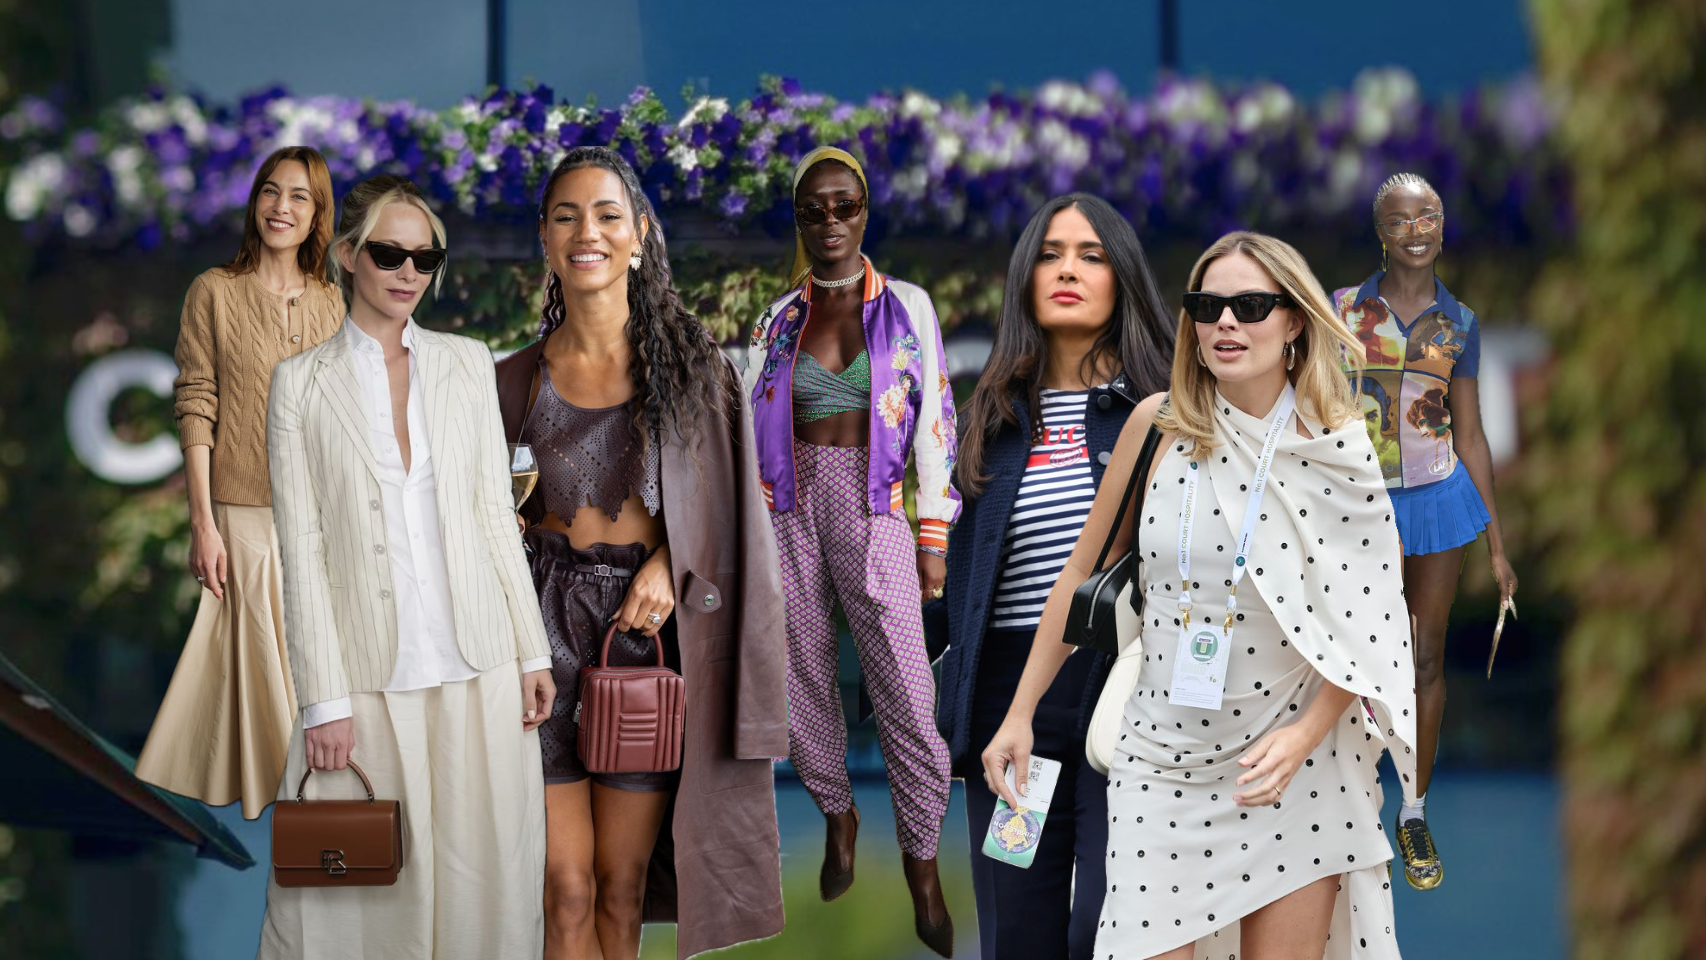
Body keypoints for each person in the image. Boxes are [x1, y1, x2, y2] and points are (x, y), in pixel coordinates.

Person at [982, 231, 1421, 960]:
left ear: (1294, 321)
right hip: (1159, 764)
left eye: (1249, 305)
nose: (1225, 322)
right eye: (1206, 305)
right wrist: (1020, 713)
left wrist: (1305, 736)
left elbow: (1372, 620)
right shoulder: (1155, 426)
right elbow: (1079, 574)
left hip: (1291, 768)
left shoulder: (1336, 445)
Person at [495, 146, 790, 960]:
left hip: (644, 643)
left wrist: (666, 562)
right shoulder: (509, 381)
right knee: (565, 888)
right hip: (537, 635)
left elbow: (736, 517)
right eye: (566, 217)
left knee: (621, 890)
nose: (586, 232)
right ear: (546, 239)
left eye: (606, 215)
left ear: (639, 234)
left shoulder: (697, 376)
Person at [258, 175, 556, 959]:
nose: (408, 273)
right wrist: (322, 701)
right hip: (362, 680)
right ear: (347, 254)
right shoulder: (299, 383)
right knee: (360, 903)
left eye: (426, 259)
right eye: (390, 253)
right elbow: (302, 550)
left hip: (480, 665)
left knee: (486, 886)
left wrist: (532, 652)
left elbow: (493, 513)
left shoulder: (467, 363)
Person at [930, 193, 1173, 960]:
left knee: (1110, 920)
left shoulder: (1162, 410)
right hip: (1012, 707)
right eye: (1050, 254)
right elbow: (959, 584)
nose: (1068, 269)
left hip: (1124, 691)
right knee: (1018, 930)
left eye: (1091, 256)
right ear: (1026, 279)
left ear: (1122, 279)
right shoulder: (990, 417)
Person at [743, 146, 960, 956]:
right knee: (800, 678)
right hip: (789, 512)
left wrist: (932, 536)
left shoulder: (907, 307)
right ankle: (838, 814)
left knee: (906, 689)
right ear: (799, 220)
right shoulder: (777, 319)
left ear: (865, 211)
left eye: (845, 205)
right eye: (814, 209)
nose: (831, 220)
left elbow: (934, 421)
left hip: (875, 512)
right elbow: (749, 426)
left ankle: (923, 868)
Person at [135, 146, 342, 819]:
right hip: (242, 514)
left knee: (318, 680)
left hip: (319, 521)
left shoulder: (333, 301)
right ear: (255, 202)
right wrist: (203, 523)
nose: (282, 207)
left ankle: (318, 827)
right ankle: (301, 821)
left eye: (300, 197)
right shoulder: (214, 291)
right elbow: (196, 402)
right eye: (271, 191)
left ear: (317, 215)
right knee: (267, 681)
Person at [1331, 172, 1517, 890]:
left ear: (1443, 225)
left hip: (1439, 498)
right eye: (1401, 220)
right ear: (1380, 230)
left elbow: (1471, 434)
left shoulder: (1459, 322)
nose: (1416, 231)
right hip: (1357, 503)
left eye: (1428, 216)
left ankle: (1412, 807)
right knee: (1346, 653)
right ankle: (1346, 798)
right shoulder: (1342, 309)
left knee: (1426, 656)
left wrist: (1497, 546)